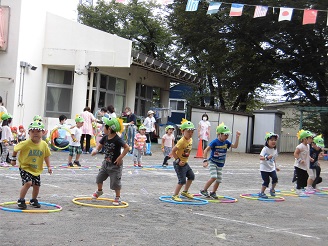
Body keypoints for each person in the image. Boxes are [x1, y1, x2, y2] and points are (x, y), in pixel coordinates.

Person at [10, 121, 52, 209]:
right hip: (25, 167)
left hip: (36, 169)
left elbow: (46, 156)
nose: (35, 134)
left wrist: (49, 166)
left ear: (43, 133)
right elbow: (15, 149)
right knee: (28, 183)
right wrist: (13, 159)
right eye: (32, 132)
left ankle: (33, 200)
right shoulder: (26, 143)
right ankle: (21, 200)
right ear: (28, 133)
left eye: (38, 131)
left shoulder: (44, 144)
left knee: (37, 185)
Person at [91, 117, 129, 206]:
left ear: (110, 129)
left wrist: (120, 157)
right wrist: (95, 150)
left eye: (105, 126)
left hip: (115, 165)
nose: (103, 128)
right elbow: (99, 146)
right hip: (106, 163)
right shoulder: (105, 137)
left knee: (115, 182)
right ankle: (99, 191)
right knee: (99, 178)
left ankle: (117, 197)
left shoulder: (117, 139)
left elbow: (127, 147)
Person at [200, 122, 240, 199]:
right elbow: (206, 150)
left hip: (220, 164)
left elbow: (235, 146)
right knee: (214, 176)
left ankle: (213, 192)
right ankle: (204, 190)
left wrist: (237, 137)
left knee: (219, 179)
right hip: (213, 162)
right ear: (219, 134)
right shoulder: (215, 142)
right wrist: (205, 160)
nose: (227, 136)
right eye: (225, 135)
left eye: (227, 135)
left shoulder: (226, 142)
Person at [171, 119, 195, 202]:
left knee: (191, 176)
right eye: (188, 132)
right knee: (182, 180)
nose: (190, 134)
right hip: (179, 164)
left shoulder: (191, 140)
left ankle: (185, 192)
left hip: (185, 163)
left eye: (192, 132)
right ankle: (175, 195)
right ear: (182, 131)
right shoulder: (181, 141)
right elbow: (173, 151)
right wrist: (178, 160)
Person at [258, 132, 280, 199]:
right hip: (264, 168)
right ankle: (262, 192)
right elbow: (260, 157)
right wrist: (267, 158)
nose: (273, 141)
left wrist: (276, 166)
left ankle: (272, 189)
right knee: (266, 181)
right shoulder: (265, 149)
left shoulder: (275, 149)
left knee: (275, 178)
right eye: (271, 140)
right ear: (267, 141)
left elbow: (274, 159)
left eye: (275, 140)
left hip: (271, 168)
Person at [293, 129, 313, 196]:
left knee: (305, 177)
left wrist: (310, 158)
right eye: (310, 138)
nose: (311, 139)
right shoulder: (300, 146)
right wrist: (300, 160)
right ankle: (298, 189)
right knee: (300, 177)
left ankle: (301, 188)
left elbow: (307, 154)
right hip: (299, 165)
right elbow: (295, 154)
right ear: (305, 139)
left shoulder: (307, 146)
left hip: (305, 165)